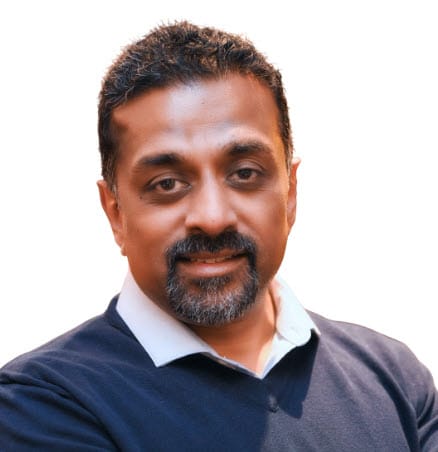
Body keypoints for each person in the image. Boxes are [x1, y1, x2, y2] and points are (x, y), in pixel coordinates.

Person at [0, 21, 437, 451]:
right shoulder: (43, 404)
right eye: (167, 183)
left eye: (244, 173)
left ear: (290, 194)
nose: (212, 218)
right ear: (115, 213)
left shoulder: (394, 379)